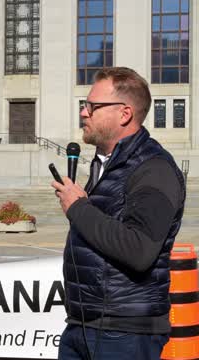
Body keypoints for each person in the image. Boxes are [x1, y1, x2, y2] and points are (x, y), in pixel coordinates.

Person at [52, 67, 186, 360]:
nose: (84, 113)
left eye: (93, 106)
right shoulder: (108, 165)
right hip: (83, 326)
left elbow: (139, 250)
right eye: (84, 106)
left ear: (124, 114)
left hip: (124, 334)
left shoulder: (153, 169)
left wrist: (78, 208)